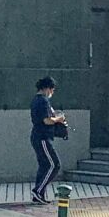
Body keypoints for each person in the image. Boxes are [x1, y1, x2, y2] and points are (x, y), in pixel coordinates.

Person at [29, 76, 66, 205]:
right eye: (52, 90)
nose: (52, 93)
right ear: (47, 88)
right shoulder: (43, 101)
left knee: (44, 165)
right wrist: (58, 120)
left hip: (38, 137)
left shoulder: (36, 100)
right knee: (54, 164)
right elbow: (46, 120)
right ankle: (38, 191)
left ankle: (39, 194)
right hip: (42, 137)